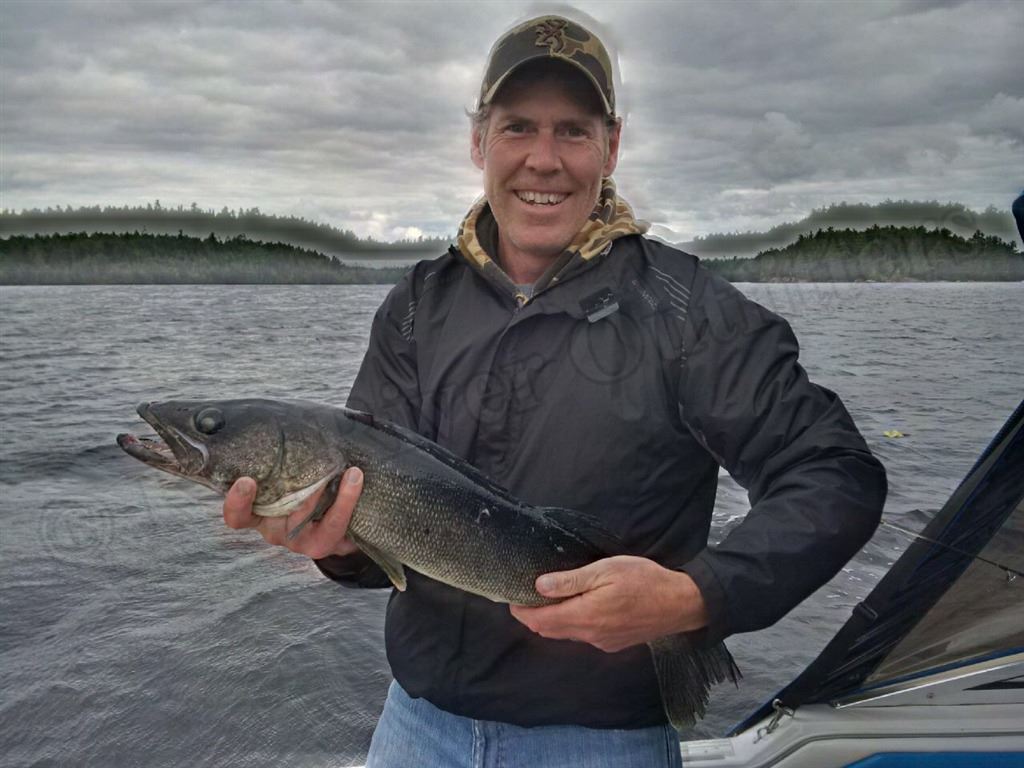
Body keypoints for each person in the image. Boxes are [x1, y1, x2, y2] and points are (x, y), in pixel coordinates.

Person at [222, 13, 887, 768]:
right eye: (518, 128)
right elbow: (385, 545)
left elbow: (836, 475)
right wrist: (334, 546)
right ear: (480, 142)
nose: (544, 160)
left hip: (604, 742)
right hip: (416, 727)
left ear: (612, 146)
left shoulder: (690, 312)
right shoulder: (415, 306)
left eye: (573, 131)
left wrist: (695, 597)